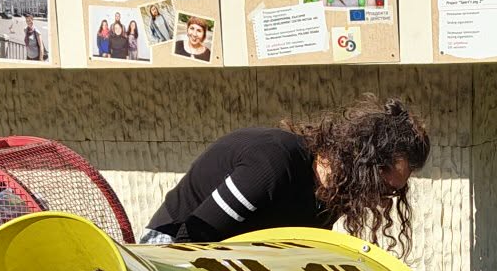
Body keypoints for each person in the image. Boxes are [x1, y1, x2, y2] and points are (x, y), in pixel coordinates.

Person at [141, 95, 428, 252]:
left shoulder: (334, 193)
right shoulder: (271, 164)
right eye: (382, 188)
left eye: (394, 192)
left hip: (228, 260)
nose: (381, 200)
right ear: (363, 167)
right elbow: (191, 240)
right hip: (169, 248)